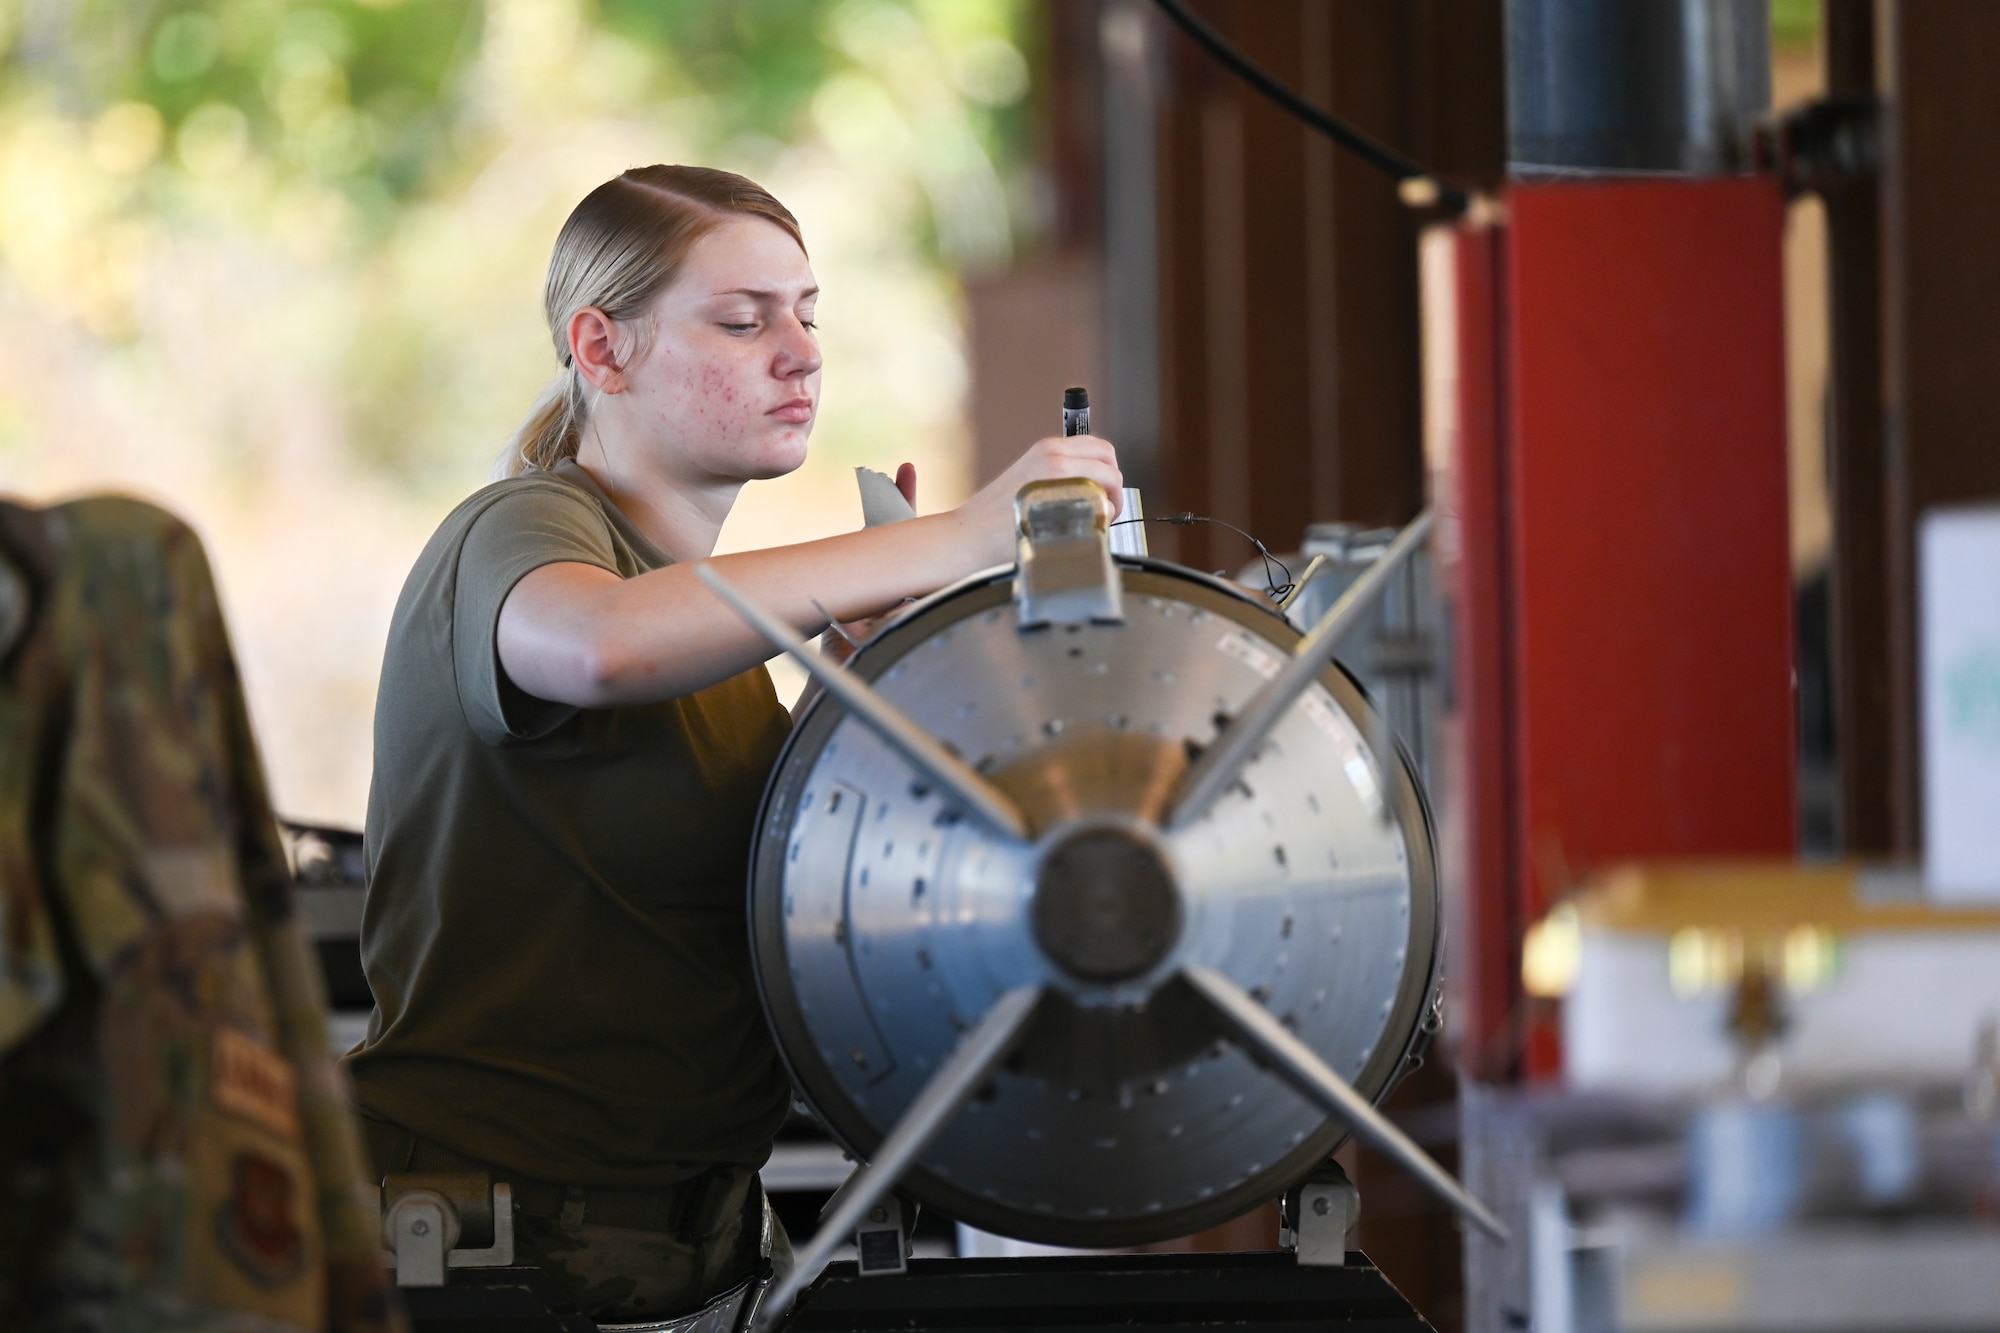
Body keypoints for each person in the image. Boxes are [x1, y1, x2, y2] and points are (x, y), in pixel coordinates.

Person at [342, 164, 1120, 1324]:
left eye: (808, 315)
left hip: (694, 1243)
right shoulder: (528, 527)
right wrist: (952, 539)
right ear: (600, 350)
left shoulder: (712, 635)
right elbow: (597, 648)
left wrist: (860, 663)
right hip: (480, 1242)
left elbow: (745, 880)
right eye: (743, 320)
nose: (799, 352)